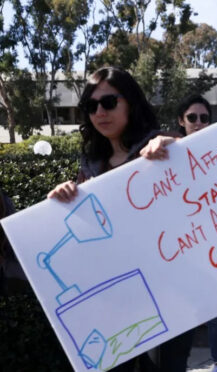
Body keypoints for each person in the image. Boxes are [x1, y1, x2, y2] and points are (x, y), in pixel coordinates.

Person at [47, 66, 189, 372]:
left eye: (109, 102)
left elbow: (201, 192)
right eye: (90, 106)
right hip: (112, 303)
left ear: (131, 103)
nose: (100, 112)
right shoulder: (90, 165)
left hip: (170, 295)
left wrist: (177, 147)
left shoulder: (161, 148)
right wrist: (62, 198)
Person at [173, 94, 217, 372]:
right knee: (179, 311)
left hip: (213, 243)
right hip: (177, 247)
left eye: (204, 118)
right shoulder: (167, 153)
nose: (198, 123)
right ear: (181, 121)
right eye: (192, 118)